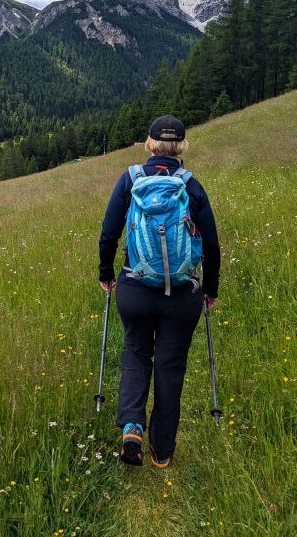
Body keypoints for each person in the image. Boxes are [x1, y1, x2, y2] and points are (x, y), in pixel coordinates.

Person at [98, 115, 220, 468]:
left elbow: (108, 234)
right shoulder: (190, 187)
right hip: (182, 295)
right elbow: (211, 247)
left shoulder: (131, 180)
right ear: (181, 147)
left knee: (136, 352)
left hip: (135, 288)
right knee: (170, 365)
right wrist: (210, 289)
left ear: (149, 145)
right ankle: (162, 451)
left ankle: (132, 427)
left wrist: (107, 274)